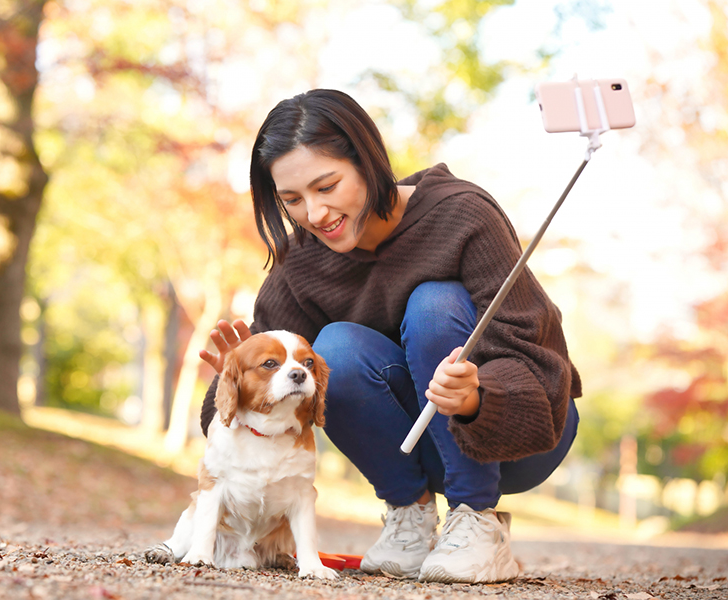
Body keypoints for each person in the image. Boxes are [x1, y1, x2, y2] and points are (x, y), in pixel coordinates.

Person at [197, 89, 581, 584]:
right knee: (330, 350)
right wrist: (236, 380)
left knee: (433, 305)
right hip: (418, 450)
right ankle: (409, 515)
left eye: (327, 186)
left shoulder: (461, 214)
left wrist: (477, 395)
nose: (315, 214)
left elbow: (531, 347)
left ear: (368, 161)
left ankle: (476, 519)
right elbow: (226, 426)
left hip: (522, 436)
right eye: (292, 199)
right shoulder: (301, 264)